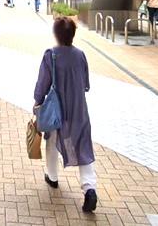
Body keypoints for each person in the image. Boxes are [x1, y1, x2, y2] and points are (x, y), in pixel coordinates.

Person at [33, 17, 97, 212]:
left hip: (56, 108)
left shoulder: (50, 55)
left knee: (52, 141)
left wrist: (37, 102)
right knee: (82, 145)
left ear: (56, 34)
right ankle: (89, 187)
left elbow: (43, 82)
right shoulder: (80, 55)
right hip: (78, 107)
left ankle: (52, 177)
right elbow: (85, 83)